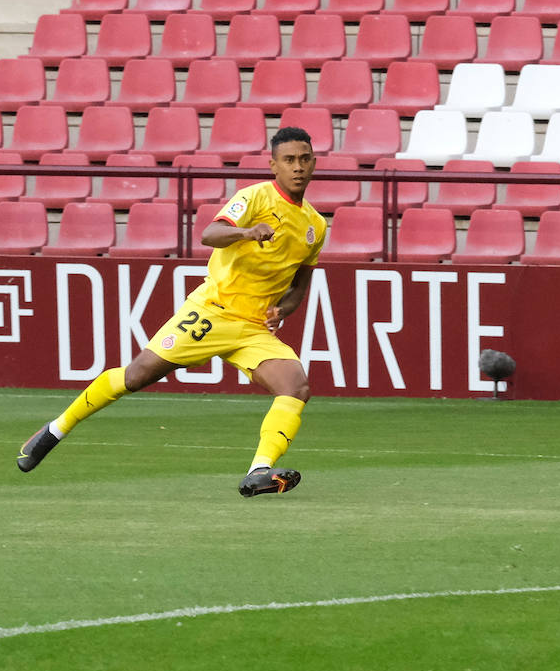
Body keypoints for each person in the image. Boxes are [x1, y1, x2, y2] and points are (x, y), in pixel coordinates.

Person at [17, 126, 328, 498]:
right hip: (212, 311)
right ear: (273, 165)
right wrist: (246, 233)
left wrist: (283, 310)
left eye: (304, 159)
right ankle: (54, 431)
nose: (298, 167)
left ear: (313, 163)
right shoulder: (254, 198)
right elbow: (210, 234)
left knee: (296, 386)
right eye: (289, 160)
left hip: (253, 328)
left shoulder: (315, 225)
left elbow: (299, 288)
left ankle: (258, 471)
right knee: (136, 376)